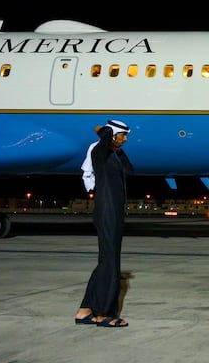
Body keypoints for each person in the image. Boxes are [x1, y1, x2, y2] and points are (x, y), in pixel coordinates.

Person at [74, 120, 134, 328]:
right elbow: (104, 137)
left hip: (114, 212)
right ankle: (104, 314)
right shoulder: (99, 152)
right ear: (112, 134)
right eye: (122, 135)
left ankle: (85, 310)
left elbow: (130, 170)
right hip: (107, 211)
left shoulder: (112, 155)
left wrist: (116, 148)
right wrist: (106, 133)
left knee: (105, 262)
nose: (125, 139)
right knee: (110, 263)